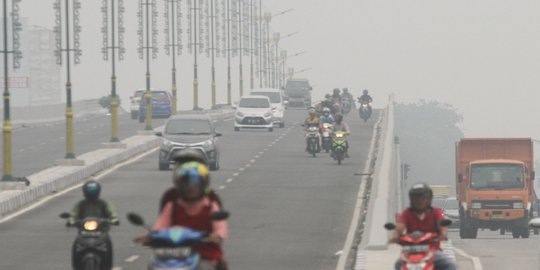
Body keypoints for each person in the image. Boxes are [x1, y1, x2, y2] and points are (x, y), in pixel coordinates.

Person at [147, 161, 229, 270]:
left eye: (195, 183)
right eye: (186, 183)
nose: (190, 188)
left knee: (204, 267)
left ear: (203, 185)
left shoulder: (210, 206)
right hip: (173, 253)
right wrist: (152, 236)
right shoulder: (173, 205)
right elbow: (160, 226)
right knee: (152, 264)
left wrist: (216, 235)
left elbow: (220, 228)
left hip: (204, 252)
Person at [390, 183, 456, 270]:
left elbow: (441, 224)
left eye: (423, 198)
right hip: (410, 251)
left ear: (429, 199)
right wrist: (396, 235)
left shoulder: (435, 212)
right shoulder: (407, 213)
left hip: (432, 251)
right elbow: (400, 226)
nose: (420, 201)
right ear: (412, 199)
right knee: (398, 265)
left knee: (450, 265)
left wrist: (443, 233)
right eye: (416, 198)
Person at [68, 180, 119, 270]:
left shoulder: (103, 204)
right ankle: (76, 265)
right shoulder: (81, 204)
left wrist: (114, 219)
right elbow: (73, 213)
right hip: (84, 232)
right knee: (76, 244)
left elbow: (112, 212)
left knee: (108, 243)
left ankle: (108, 266)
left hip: (101, 231)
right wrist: (71, 220)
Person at [159, 148, 223, 212]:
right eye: (185, 180)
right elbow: (163, 218)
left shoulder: (211, 198)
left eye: (195, 179)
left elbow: (218, 219)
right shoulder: (170, 197)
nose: (189, 187)